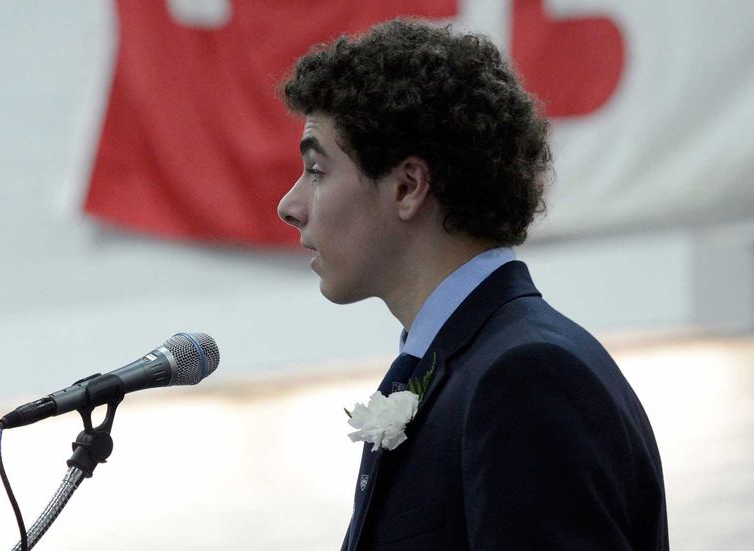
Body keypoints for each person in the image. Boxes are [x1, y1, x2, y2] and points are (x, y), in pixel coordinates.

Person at [276, 19, 668, 551]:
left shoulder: (523, 377)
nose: (290, 206)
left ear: (408, 186)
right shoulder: (473, 367)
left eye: (317, 170)